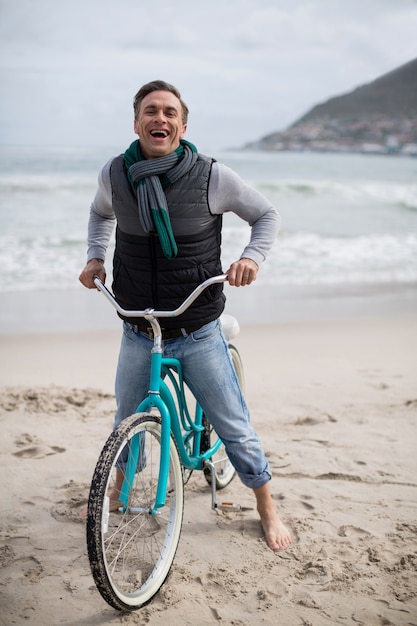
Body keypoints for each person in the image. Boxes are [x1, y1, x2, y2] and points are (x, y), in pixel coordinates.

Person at [79, 80, 292, 551]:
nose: (160, 118)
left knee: (233, 423)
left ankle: (266, 507)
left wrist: (251, 258)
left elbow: (266, 215)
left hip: (196, 328)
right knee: (125, 420)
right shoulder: (115, 175)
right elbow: (99, 215)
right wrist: (95, 256)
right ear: (136, 123)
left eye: (169, 112)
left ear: (182, 124)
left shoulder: (212, 176)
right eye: (150, 111)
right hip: (139, 324)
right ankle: (113, 491)